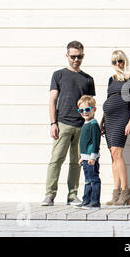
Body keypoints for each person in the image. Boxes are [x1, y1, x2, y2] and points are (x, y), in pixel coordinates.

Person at [41, 41, 96, 206]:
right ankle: (49, 195)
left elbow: (90, 104)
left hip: (82, 126)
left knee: (77, 162)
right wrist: (53, 123)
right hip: (63, 124)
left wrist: (91, 125)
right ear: (67, 56)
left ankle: (72, 195)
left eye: (79, 56)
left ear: (83, 56)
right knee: (56, 159)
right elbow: (52, 100)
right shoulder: (58, 75)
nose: (76, 59)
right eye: (73, 56)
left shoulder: (88, 79)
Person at [100, 50, 130, 206]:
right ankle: (116, 193)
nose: (118, 64)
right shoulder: (111, 79)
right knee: (113, 156)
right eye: (115, 62)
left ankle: (126, 192)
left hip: (121, 118)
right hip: (108, 120)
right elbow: (108, 99)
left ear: (125, 60)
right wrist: (102, 122)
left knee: (117, 153)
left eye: (120, 61)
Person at [75, 95, 101, 209]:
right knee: (87, 180)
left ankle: (95, 202)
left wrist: (93, 157)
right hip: (85, 158)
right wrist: (82, 157)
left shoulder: (93, 124)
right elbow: (85, 143)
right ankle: (86, 200)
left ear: (94, 110)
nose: (84, 112)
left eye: (87, 109)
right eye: (81, 110)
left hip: (91, 158)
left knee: (93, 179)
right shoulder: (85, 124)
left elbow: (95, 142)